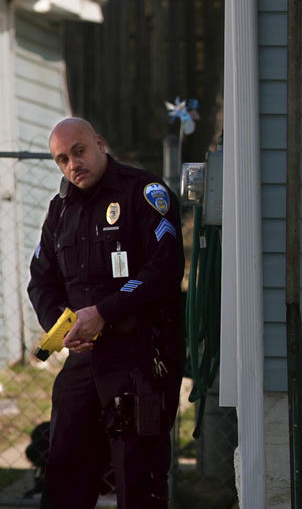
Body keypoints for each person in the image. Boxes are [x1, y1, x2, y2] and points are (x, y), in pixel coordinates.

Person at [27, 118, 184, 507]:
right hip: (83, 362)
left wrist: (105, 312)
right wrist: (62, 327)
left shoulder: (142, 193)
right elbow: (40, 280)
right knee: (64, 481)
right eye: (62, 160)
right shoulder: (61, 209)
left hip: (139, 361)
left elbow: (164, 269)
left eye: (78, 151)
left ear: (99, 143)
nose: (72, 165)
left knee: (138, 485)